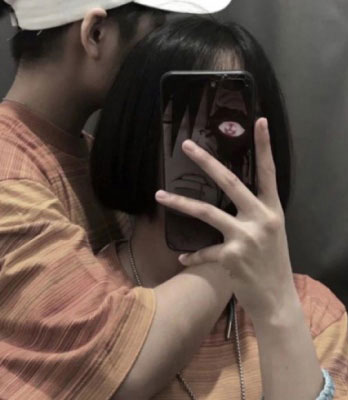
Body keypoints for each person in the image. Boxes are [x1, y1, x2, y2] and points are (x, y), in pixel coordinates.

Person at [91, 17, 348, 399]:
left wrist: (277, 310)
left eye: (231, 125)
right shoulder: (81, 302)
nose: (205, 147)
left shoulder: (310, 313)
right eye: (186, 117)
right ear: (135, 128)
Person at [0, 1, 242, 399]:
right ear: (95, 34)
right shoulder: (9, 176)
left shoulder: (90, 156)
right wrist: (238, 248)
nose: (162, 51)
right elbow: (119, 364)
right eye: (156, 31)